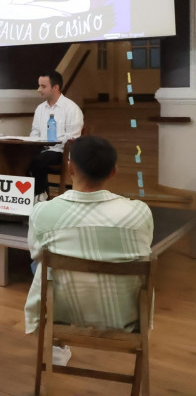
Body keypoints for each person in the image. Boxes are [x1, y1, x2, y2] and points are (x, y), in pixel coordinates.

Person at [24, 136, 153, 336]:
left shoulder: (42, 212)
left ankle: (57, 343)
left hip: (62, 313)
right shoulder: (139, 213)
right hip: (124, 318)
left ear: (70, 168)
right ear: (113, 172)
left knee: (40, 263)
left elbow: (36, 254)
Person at [28, 70, 84, 198]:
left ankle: (40, 195)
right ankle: (31, 195)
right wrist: (34, 143)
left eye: (43, 86)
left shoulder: (71, 108)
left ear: (55, 87)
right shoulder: (40, 108)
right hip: (40, 149)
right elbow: (35, 131)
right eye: (39, 85)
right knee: (20, 159)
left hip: (60, 151)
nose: (38, 89)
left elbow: (73, 137)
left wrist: (51, 142)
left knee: (38, 160)